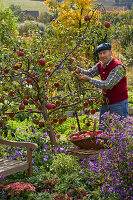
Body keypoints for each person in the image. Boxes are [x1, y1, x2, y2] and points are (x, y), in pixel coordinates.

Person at [75, 43, 128, 129]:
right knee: (103, 128)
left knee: (120, 129)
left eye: (104, 52)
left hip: (119, 102)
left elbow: (107, 84)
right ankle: (105, 142)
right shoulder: (100, 65)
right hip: (106, 101)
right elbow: (90, 73)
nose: (102, 55)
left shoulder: (118, 67)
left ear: (110, 52)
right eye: (100, 53)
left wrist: (89, 80)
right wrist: (78, 70)